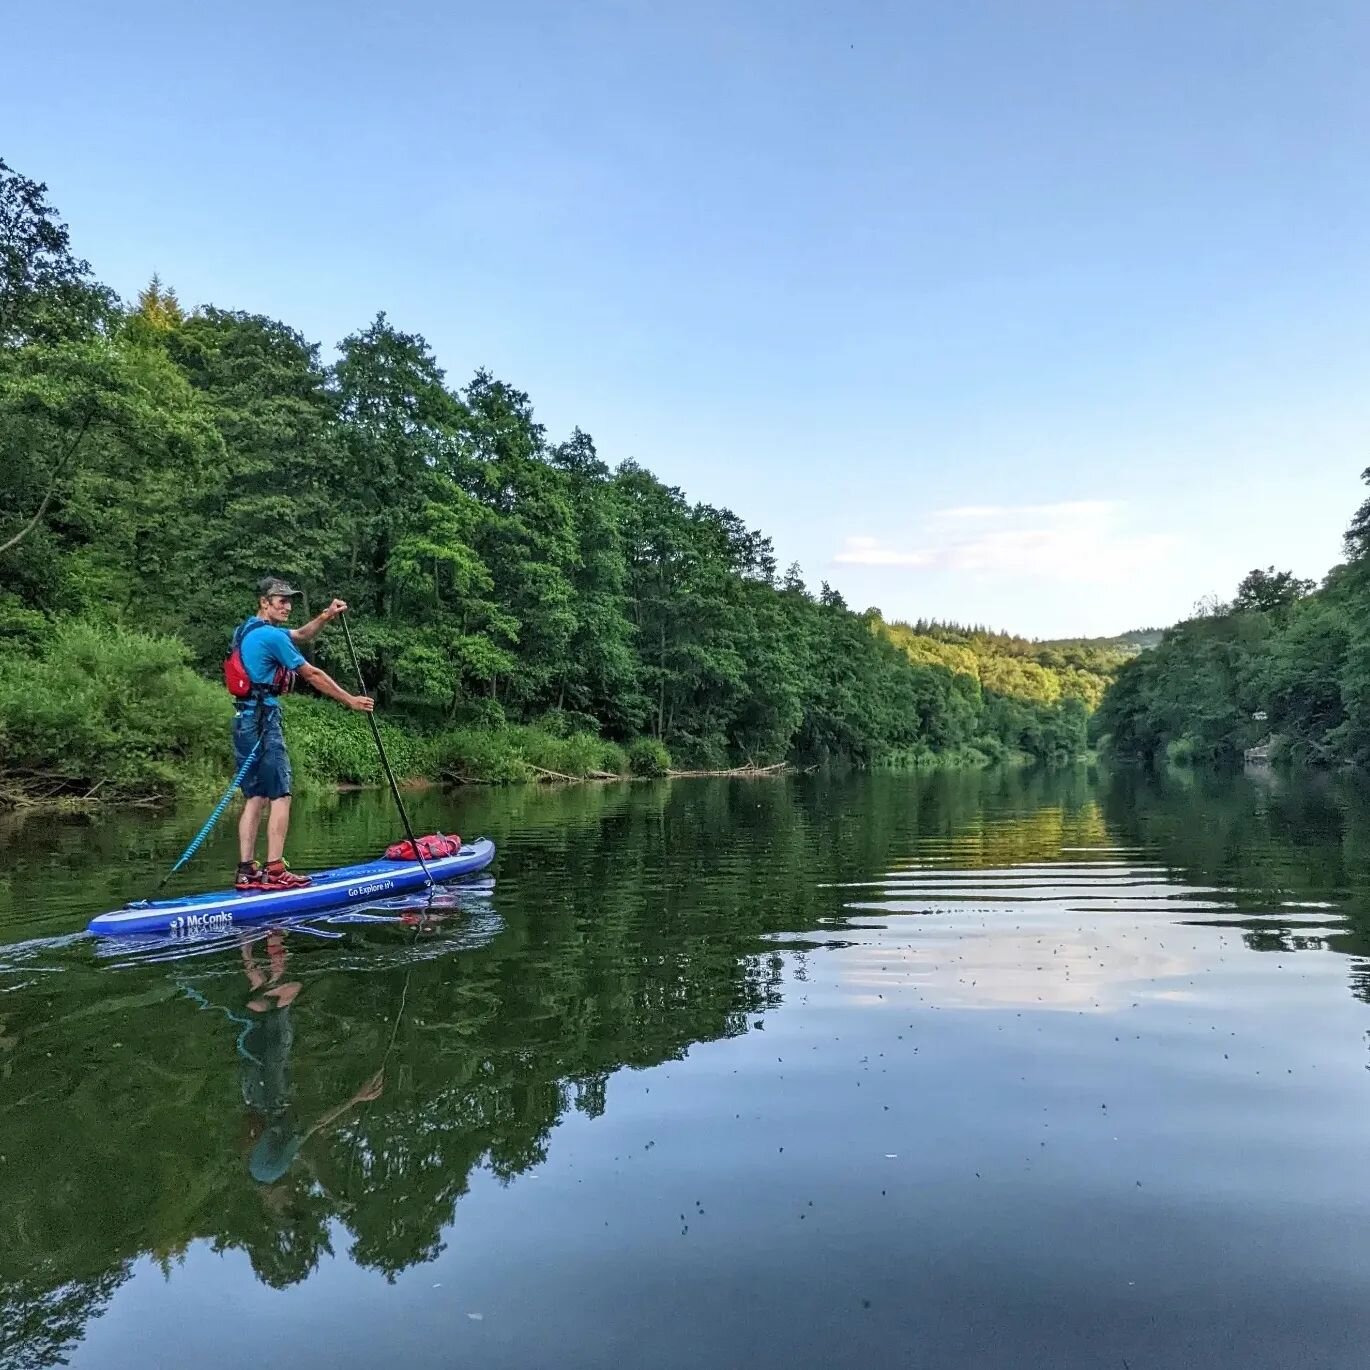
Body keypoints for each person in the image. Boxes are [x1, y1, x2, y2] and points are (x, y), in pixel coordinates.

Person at [232, 576, 374, 890]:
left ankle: (246, 871)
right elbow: (311, 673)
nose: (288, 605)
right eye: (280, 600)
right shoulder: (270, 637)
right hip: (264, 720)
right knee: (280, 793)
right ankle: (275, 870)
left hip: (243, 719)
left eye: (289, 599)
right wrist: (350, 700)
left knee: (255, 796)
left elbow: (300, 634)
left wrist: (325, 616)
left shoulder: (246, 631)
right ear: (264, 602)